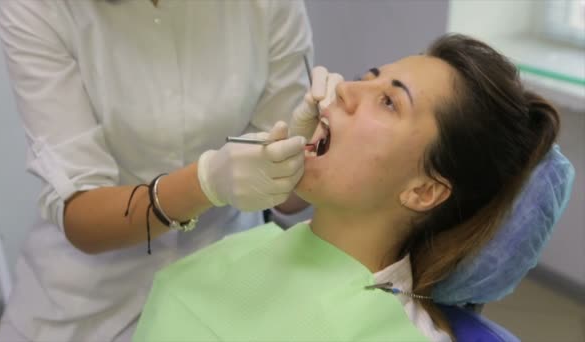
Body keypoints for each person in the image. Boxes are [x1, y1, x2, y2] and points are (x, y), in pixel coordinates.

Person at [134, 34, 560, 341]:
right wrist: (208, 181)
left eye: (389, 102)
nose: (345, 89)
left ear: (424, 191)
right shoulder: (237, 249)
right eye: (367, 77)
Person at [0, 0, 332, 341]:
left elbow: (289, 200)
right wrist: (206, 183)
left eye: (387, 98)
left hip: (226, 275)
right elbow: (81, 211)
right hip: (89, 297)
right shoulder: (39, 8)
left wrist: (299, 160)